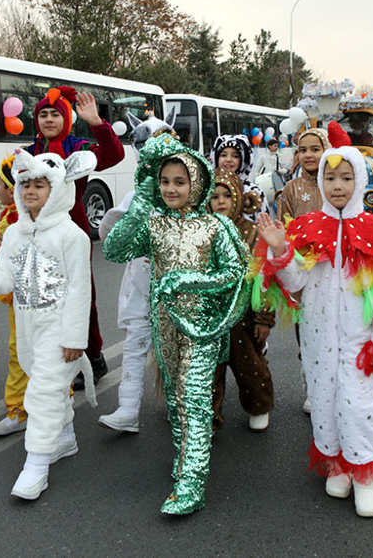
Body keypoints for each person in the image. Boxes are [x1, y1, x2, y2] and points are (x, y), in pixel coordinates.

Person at [255, 123, 373, 518]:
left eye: (347, 177)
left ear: (360, 179)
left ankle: (365, 474)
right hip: (317, 339)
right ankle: (338, 465)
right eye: (331, 177)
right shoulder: (310, 227)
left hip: (362, 341)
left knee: (359, 404)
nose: (338, 185)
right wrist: (280, 252)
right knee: (326, 401)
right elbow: (295, 283)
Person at [104, 133, 247, 515]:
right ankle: (185, 460)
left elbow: (235, 273)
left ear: (196, 184)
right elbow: (113, 250)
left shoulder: (216, 227)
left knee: (195, 399)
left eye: (179, 182)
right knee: (175, 398)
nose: (171, 189)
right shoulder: (154, 224)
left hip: (203, 327)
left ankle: (191, 484)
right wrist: (139, 206)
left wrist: (190, 280)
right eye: (164, 181)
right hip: (165, 325)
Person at [0, 149, 97, 500]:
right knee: (47, 385)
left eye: (40, 185)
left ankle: (37, 464)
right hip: (29, 326)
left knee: (42, 392)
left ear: (58, 189)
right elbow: (5, 279)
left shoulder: (71, 236)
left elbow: (80, 289)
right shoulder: (14, 234)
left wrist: (76, 337)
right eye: (25, 184)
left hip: (59, 328)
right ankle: (63, 438)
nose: (30, 191)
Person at [23, 86, 124, 387]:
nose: (49, 119)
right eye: (43, 114)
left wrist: (96, 123)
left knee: (80, 296)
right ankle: (52, 357)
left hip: (73, 229)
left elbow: (113, 155)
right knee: (44, 297)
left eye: (55, 113)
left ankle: (93, 357)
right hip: (38, 234)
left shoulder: (78, 148)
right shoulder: (30, 153)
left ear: (66, 118)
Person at [97, 115, 176, 434]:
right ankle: (128, 409)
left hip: (176, 286)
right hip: (141, 282)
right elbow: (115, 237)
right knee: (135, 344)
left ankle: (177, 404)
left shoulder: (184, 190)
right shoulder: (135, 196)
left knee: (173, 347)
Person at [209, 169, 274, 432]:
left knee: (249, 364)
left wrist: (263, 318)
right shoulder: (202, 229)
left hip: (243, 314)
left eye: (227, 195)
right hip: (209, 315)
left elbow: (264, 278)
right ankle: (208, 414)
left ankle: (259, 406)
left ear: (238, 198)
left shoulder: (252, 231)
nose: (221, 201)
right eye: (214, 197)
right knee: (208, 369)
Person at [277, 127, 330, 414]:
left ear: (327, 150)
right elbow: (283, 228)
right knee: (306, 328)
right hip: (302, 269)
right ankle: (310, 385)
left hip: (334, 269)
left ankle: (334, 385)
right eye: (303, 150)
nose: (309, 155)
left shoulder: (336, 181)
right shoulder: (291, 189)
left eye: (315, 148)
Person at [0, 154, 29, 437]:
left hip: (39, 299)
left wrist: (5, 248)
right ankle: (18, 409)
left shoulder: (33, 220)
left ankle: (57, 408)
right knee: (19, 351)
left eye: (0, 185)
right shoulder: (8, 215)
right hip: (16, 297)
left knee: (41, 353)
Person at [211, 134, 265, 220]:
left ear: (243, 160)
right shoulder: (208, 188)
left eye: (235, 156)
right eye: (223, 155)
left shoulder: (253, 190)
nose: (228, 159)